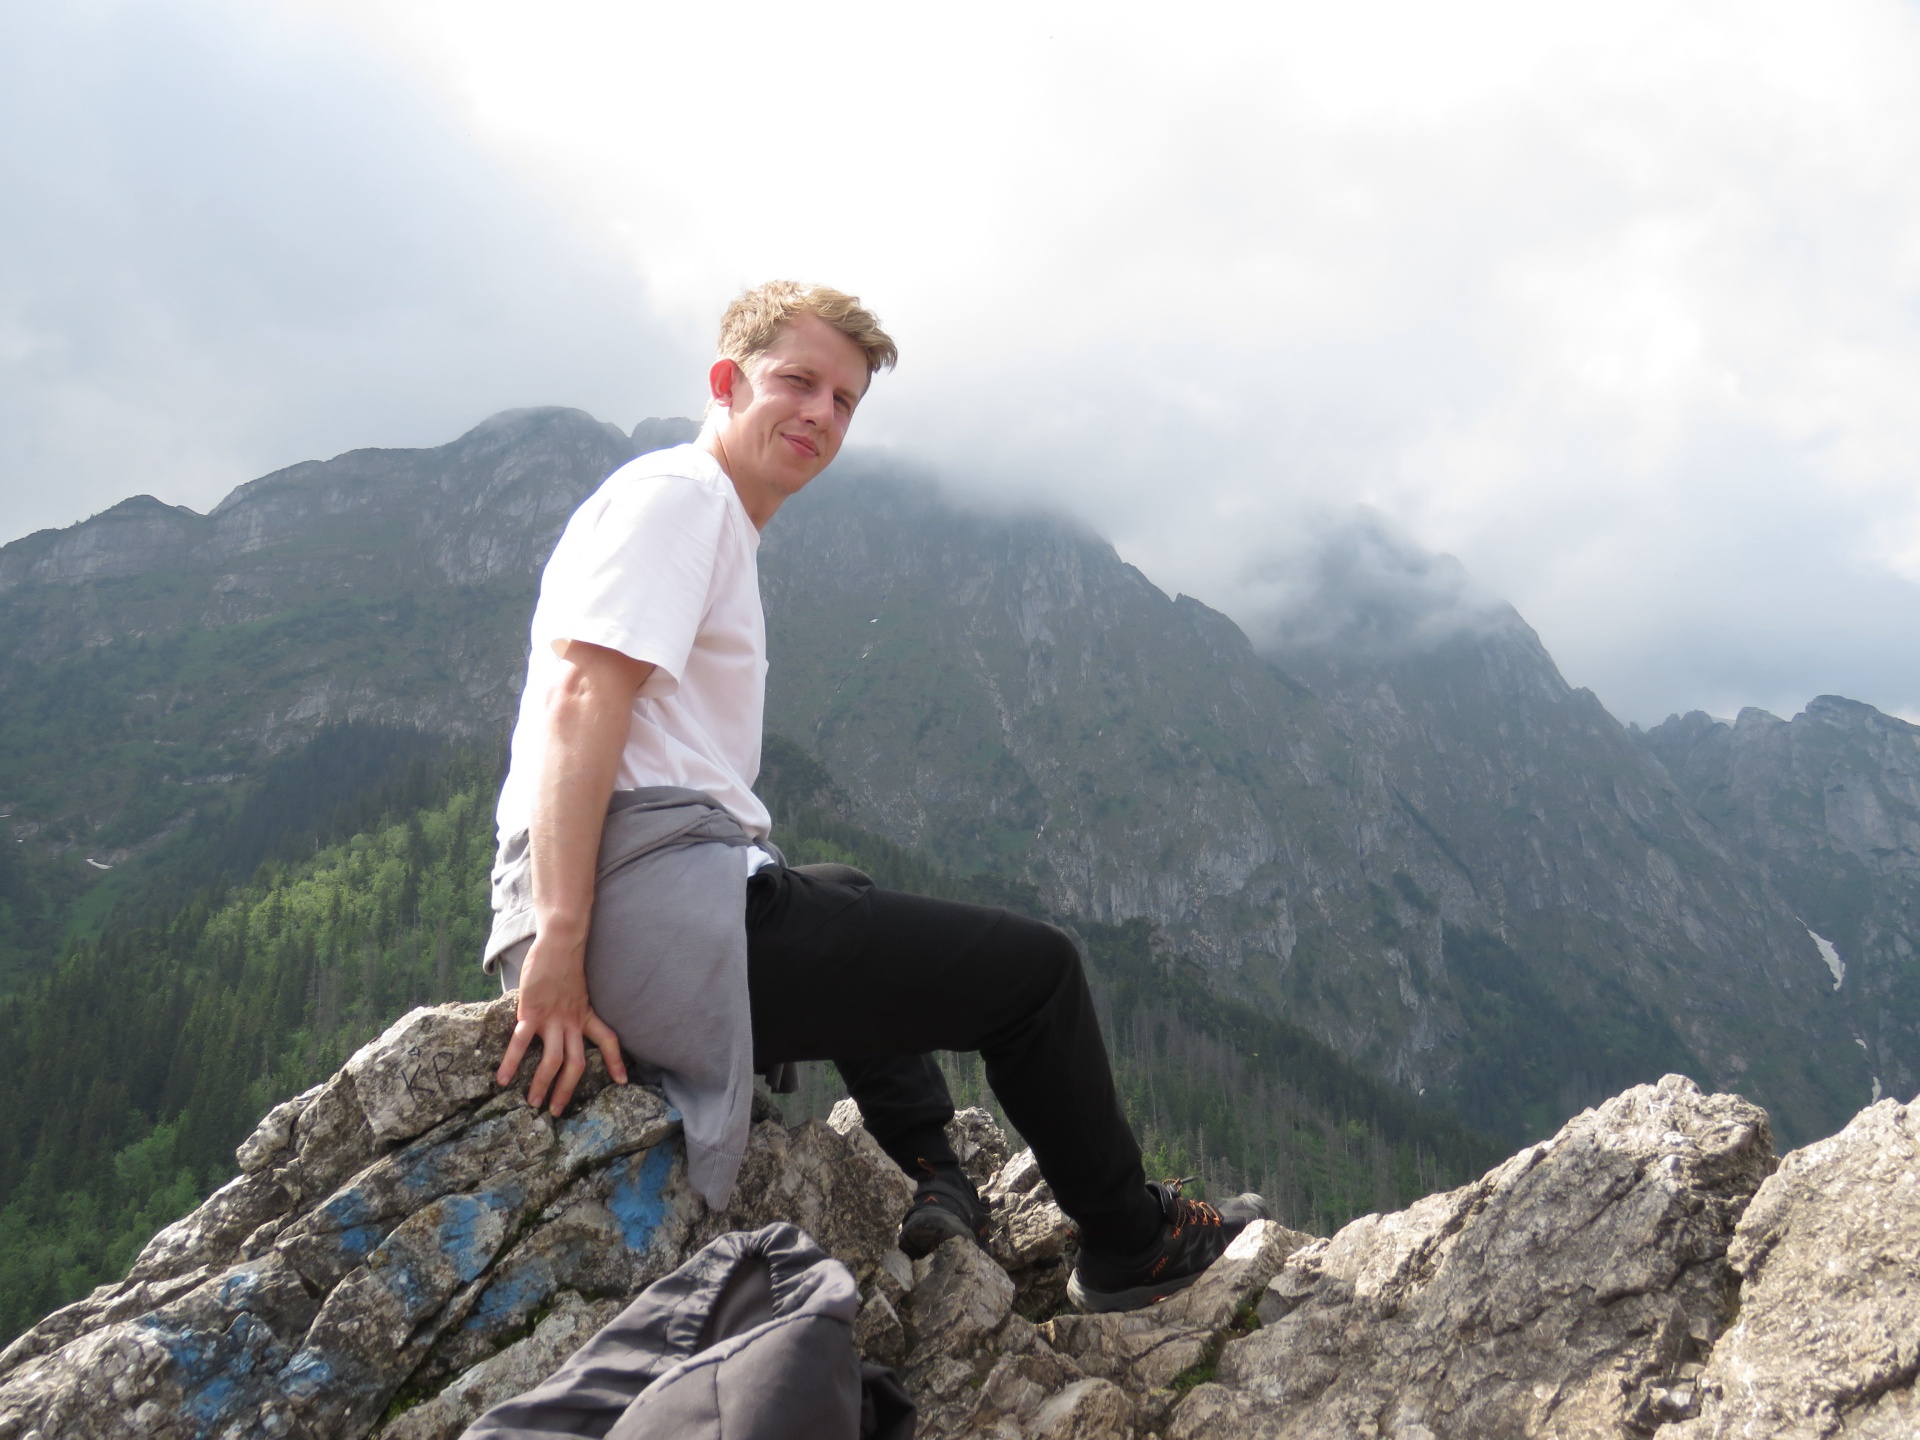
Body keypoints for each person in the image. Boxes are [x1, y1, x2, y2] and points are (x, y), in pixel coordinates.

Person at [484, 280, 1267, 1313]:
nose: (820, 413)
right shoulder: (681, 498)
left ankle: (937, 1173)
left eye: (844, 400)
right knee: (1036, 975)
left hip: (657, 901)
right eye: (797, 382)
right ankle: (1131, 1242)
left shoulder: (706, 513)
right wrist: (558, 944)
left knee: (839, 888)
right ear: (726, 382)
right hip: (644, 914)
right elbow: (582, 698)